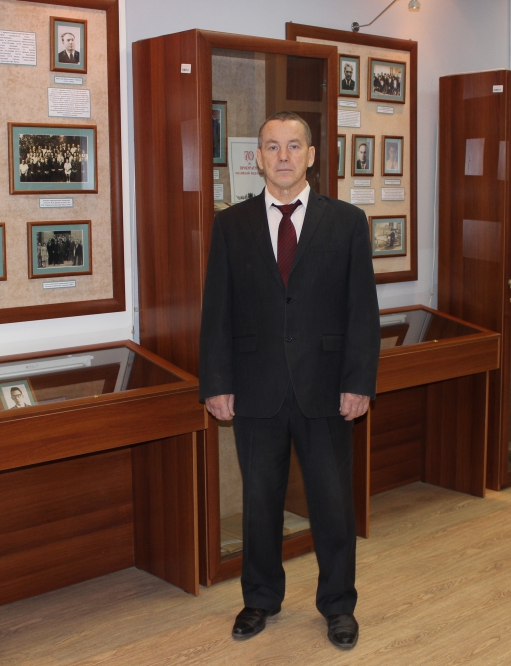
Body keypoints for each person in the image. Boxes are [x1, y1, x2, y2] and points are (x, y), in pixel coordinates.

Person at [199, 111, 380, 650]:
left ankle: (338, 606)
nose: (283, 156)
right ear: (257, 157)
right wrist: (216, 383)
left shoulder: (346, 221)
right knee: (260, 502)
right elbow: (217, 311)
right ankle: (260, 599)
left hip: (327, 388)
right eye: (273, 147)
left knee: (332, 505)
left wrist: (359, 382)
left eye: (294, 145)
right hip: (255, 390)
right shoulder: (231, 225)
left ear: (312, 155)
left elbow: (361, 311)